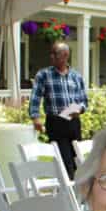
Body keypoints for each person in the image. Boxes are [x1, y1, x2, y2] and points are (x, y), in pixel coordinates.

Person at [29, 41, 89, 178]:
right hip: (56, 122)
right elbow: (35, 97)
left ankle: (76, 191)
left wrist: (79, 109)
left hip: (73, 122)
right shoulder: (44, 75)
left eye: (55, 54)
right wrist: (35, 117)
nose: (51, 57)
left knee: (76, 159)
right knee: (64, 160)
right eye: (51, 54)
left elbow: (84, 101)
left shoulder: (76, 76)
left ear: (65, 55)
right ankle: (69, 193)